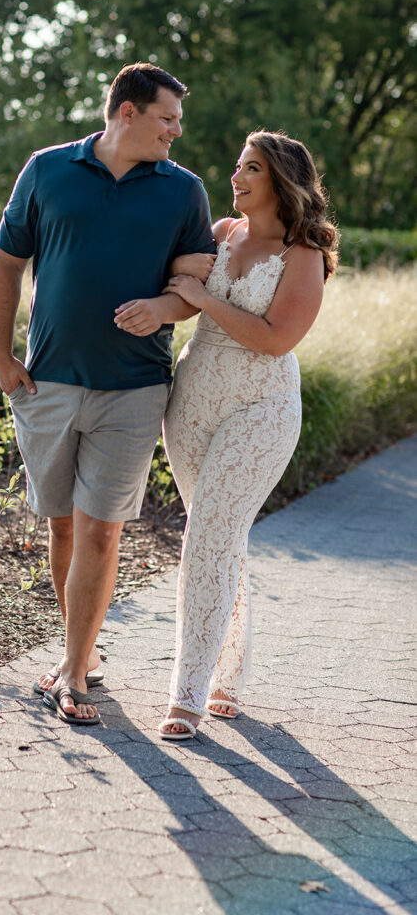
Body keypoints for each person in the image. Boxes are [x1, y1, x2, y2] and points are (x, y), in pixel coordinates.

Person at [0, 62, 215, 726]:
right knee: (61, 522)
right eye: (166, 117)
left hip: (133, 391)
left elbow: (190, 291)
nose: (176, 130)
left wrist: (160, 309)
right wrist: (2, 356)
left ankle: (74, 677)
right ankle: (75, 654)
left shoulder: (183, 192)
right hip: (47, 383)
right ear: (126, 112)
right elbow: (6, 265)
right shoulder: (47, 170)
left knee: (99, 530)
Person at [142, 130, 337, 741]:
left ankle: (187, 693)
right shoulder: (222, 234)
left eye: (250, 167)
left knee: (207, 535)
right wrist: (173, 290)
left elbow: (276, 338)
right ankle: (228, 673)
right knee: (221, 538)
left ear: (280, 180)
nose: (236, 176)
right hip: (192, 403)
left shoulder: (303, 255)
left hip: (262, 408)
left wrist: (203, 296)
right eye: (236, 165)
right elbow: (178, 286)